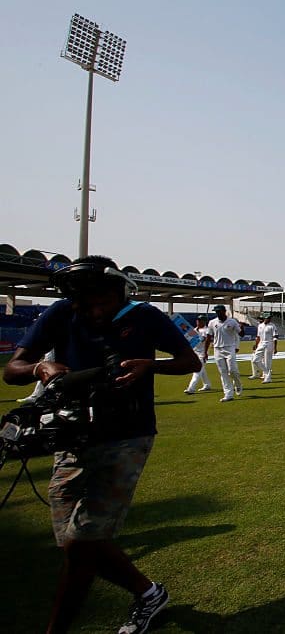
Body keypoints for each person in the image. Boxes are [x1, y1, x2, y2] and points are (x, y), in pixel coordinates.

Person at [2, 255, 200, 634]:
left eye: (103, 302)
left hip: (128, 434)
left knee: (83, 541)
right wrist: (40, 368)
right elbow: (14, 369)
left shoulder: (144, 315)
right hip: (71, 437)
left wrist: (149, 365)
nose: (94, 311)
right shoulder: (60, 313)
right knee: (73, 542)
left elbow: (189, 360)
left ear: (120, 290)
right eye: (85, 304)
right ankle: (148, 593)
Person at [206, 304, 243, 402]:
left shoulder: (232, 321)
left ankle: (238, 384)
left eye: (219, 311)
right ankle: (228, 394)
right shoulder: (212, 322)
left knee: (233, 371)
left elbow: (241, 334)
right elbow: (208, 337)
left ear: (224, 311)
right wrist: (206, 352)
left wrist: (242, 328)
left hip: (230, 348)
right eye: (216, 312)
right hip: (217, 349)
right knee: (223, 373)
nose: (218, 313)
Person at [183, 315, 213, 393]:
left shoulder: (207, 330)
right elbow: (189, 340)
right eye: (197, 320)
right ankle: (207, 385)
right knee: (201, 370)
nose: (198, 321)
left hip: (202, 353)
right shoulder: (194, 330)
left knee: (197, 370)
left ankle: (191, 388)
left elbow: (207, 341)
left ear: (204, 321)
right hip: (194, 352)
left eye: (200, 320)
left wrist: (205, 353)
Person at [250, 312, 278, 383]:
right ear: (265, 318)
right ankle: (267, 373)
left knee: (267, 362)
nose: (269, 319)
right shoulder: (260, 326)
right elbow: (258, 337)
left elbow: (275, 337)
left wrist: (275, 348)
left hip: (269, 344)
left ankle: (267, 378)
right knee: (255, 360)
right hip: (261, 344)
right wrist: (256, 345)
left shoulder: (272, 326)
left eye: (270, 318)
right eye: (268, 318)